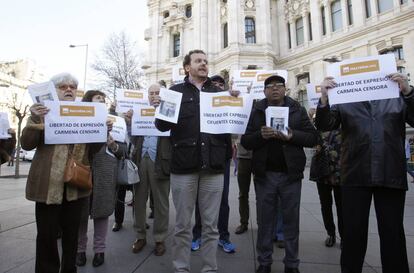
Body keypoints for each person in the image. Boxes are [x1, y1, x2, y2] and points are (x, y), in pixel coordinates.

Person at [315, 73, 413, 273]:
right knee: (353, 233)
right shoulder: (346, 99)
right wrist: (324, 98)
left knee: (392, 233)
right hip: (355, 173)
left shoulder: (398, 96)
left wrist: (409, 92)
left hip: (390, 172)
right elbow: (325, 125)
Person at [20, 73, 110, 273]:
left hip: (75, 187)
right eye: (63, 86)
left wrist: (102, 130)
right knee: (46, 237)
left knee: (72, 237)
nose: (69, 89)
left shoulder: (85, 113)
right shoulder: (42, 111)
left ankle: (69, 269)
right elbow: (26, 144)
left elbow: (94, 150)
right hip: (46, 187)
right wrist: (35, 118)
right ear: (54, 90)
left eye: (72, 86)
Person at [155, 50, 232, 273]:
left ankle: (209, 268)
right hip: (184, 168)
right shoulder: (175, 92)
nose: (204, 64)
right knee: (182, 225)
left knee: (211, 226)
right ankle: (181, 268)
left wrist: (234, 101)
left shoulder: (219, 92)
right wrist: (163, 107)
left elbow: (230, 127)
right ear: (187, 67)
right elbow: (162, 126)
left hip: (214, 168)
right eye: (198, 61)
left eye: (206, 61)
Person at [241, 75, 318, 273]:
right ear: (265, 91)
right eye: (270, 86)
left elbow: (312, 138)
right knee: (265, 222)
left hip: (290, 176)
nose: (275, 89)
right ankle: (264, 263)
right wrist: (260, 135)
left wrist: (293, 136)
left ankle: (292, 264)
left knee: (291, 222)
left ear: (285, 89)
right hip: (264, 175)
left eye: (279, 86)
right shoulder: (257, 110)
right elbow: (246, 141)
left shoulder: (297, 109)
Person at [76, 90, 126, 267]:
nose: (102, 101)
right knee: (81, 213)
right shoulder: (78, 118)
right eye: (98, 98)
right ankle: (80, 250)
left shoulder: (115, 121)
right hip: (83, 170)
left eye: (103, 100)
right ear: (88, 101)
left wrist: (112, 143)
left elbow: (123, 152)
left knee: (102, 213)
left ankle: (100, 251)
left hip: (105, 172)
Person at [191, 75, 235, 254]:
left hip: (220, 158)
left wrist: (237, 100)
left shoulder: (227, 104)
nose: (217, 87)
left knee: (223, 200)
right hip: (201, 156)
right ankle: (198, 234)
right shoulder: (201, 104)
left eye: (220, 85)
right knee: (200, 200)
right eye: (214, 84)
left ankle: (223, 236)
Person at [130, 83, 171, 256]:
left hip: (161, 161)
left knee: (161, 203)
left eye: (157, 93)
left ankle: (160, 239)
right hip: (141, 160)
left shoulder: (170, 111)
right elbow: (132, 138)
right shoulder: (139, 112)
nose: (154, 95)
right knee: (139, 201)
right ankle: (140, 236)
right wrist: (128, 121)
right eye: (151, 93)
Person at [309, 127, 343, 247]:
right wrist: (316, 147)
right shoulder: (320, 127)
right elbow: (312, 141)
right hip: (322, 172)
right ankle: (331, 233)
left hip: (341, 173)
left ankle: (344, 236)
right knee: (325, 204)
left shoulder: (346, 124)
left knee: (342, 206)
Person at [234, 137, 253, 235]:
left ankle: (263, 224)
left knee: (263, 194)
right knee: (243, 194)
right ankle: (243, 223)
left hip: (260, 154)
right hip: (243, 156)